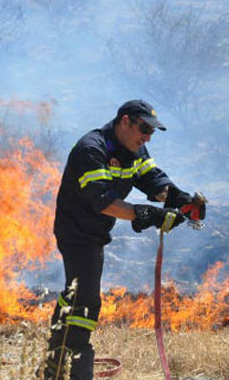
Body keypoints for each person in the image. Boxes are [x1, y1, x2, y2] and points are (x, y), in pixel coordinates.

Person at [41, 99, 206, 380]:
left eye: (152, 132)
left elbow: (153, 181)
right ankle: (75, 361)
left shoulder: (135, 149)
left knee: (76, 293)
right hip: (76, 231)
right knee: (86, 299)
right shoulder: (91, 149)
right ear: (125, 121)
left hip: (96, 233)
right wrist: (150, 215)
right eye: (143, 128)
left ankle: (55, 366)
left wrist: (181, 199)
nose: (147, 136)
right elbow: (105, 203)